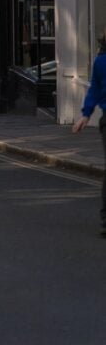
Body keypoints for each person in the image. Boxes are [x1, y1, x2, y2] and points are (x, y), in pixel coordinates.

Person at [72, 40, 106, 236]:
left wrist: (86, 114)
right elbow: (94, 90)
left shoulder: (100, 61)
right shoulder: (101, 63)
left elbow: (93, 91)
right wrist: (85, 114)